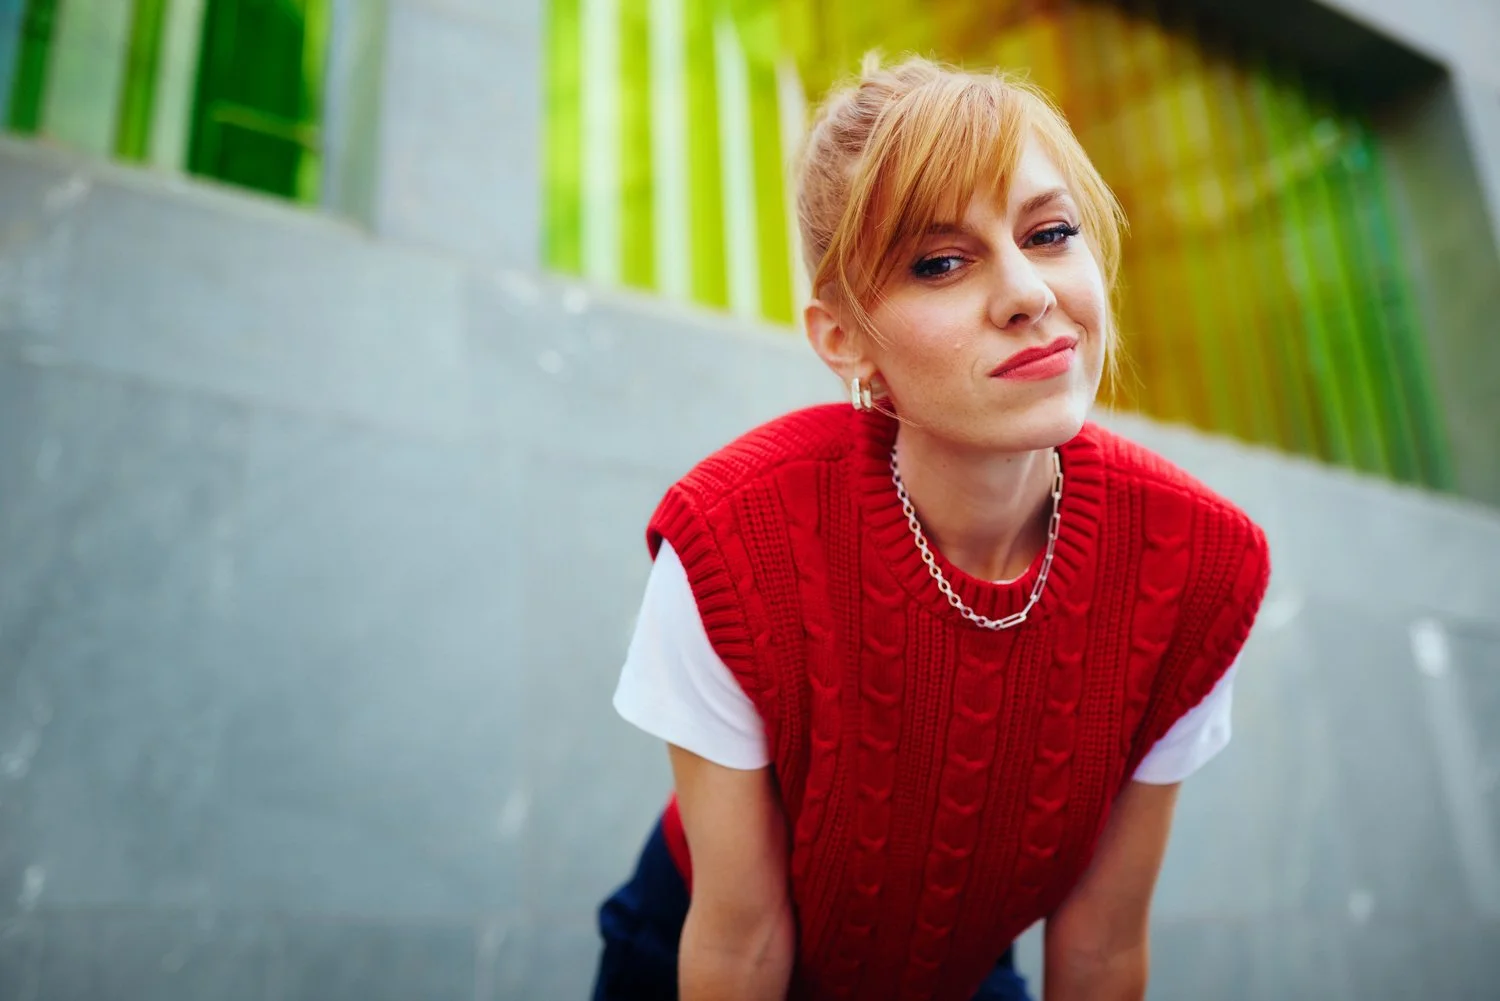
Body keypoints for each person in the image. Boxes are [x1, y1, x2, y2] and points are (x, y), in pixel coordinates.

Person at [592, 54, 1270, 1001]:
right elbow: (741, 945)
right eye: (940, 262)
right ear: (844, 339)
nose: (1029, 293)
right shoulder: (734, 537)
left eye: (1051, 231)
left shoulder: (1197, 565)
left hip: (958, 970)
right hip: (701, 954)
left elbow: (1105, 944)